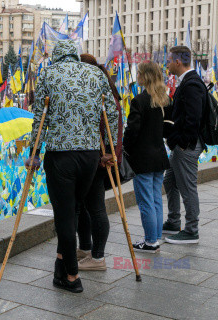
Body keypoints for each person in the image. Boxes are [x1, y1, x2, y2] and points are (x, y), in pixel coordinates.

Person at [27, 40, 118, 293]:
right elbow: (111, 111)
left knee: (65, 217)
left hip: (60, 156)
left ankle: (72, 276)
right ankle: (60, 266)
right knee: (75, 209)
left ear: (56, 56)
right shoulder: (95, 73)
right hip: (89, 155)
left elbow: (39, 117)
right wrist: (109, 150)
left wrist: (33, 152)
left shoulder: (48, 73)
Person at [76, 54, 124, 271]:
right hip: (92, 157)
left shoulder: (105, 95)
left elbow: (112, 125)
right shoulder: (99, 90)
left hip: (99, 159)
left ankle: (98, 258)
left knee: (96, 207)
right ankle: (86, 249)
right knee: (85, 206)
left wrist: (111, 152)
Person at [123, 61, 171, 253]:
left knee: (145, 201)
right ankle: (155, 237)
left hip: (142, 158)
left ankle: (150, 241)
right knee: (156, 199)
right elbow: (167, 127)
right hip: (159, 156)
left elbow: (132, 130)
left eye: (140, 73)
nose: (138, 76)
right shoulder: (164, 99)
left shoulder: (139, 101)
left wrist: (125, 147)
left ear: (145, 76)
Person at [163, 46, 206, 244]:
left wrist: (182, 143)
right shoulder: (187, 82)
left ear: (178, 62)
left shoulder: (192, 84)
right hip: (182, 145)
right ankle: (173, 221)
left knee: (188, 187)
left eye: (169, 60)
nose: (168, 64)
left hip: (186, 146)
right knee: (170, 182)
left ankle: (192, 230)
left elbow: (193, 118)